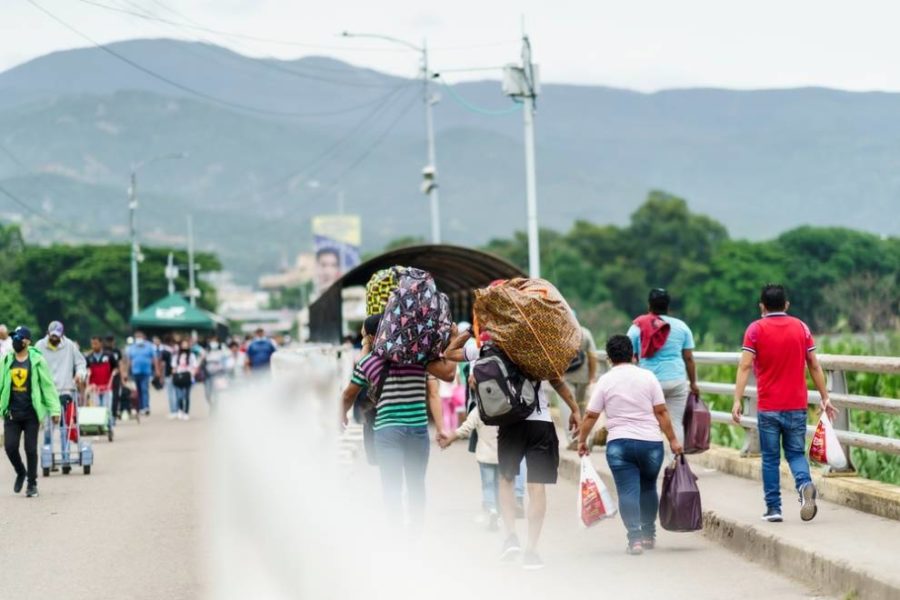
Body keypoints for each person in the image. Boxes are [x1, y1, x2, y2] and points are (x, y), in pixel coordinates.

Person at [444, 328, 582, 570]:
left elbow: (449, 353)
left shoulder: (487, 347)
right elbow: (558, 381)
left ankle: (510, 538)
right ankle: (532, 550)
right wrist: (575, 409)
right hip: (539, 422)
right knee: (536, 487)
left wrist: (470, 331)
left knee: (506, 480)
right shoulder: (536, 347)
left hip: (509, 423)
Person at [339, 314, 459, 533]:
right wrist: (454, 338)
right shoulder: (419, 355)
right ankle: (415, 531)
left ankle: (396, 533)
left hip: (387, 431)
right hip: (417, 429)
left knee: (391, 486)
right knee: (416, 484)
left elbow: (348, 395)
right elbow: (449, 374)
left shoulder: (369, 362)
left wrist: (342, 415)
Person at [732, 284, 835, 523]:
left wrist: (737, 400)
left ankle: (774, 508)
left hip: (768, 406)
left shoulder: (755, 329)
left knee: (770, 458)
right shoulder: (801, 327)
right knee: (796, 454)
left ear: (762, 306)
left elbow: (745, 365)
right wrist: (825, 397)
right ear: (786, 304)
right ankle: (804, 485)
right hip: (796, 405)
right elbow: (814, 364)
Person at [577, 334, 683, 555]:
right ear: (633, 354)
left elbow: (590, 415)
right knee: (648, 487)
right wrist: (673, 440)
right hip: (651, 444)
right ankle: (648, 534)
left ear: (609, 358)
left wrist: (582, 441)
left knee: (627, 491)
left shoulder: (606, 380)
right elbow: (662, 412)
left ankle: (634, 539)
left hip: (619, 445)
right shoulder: (648, 377)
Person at [627, 288, 699, 445]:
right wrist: (693, 383)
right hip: (677, 381)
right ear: (668, 306)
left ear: (649, 305)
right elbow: (689, 358)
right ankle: (675, 464)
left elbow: (626, 356)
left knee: (648, 425)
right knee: (675, 424)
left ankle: (652, 463)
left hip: (649, 382)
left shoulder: (637, 327)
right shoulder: (682, 327)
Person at [1, 326, 61, 497]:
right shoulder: (6, 360)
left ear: (27, 341)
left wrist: (55, 410)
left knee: (30, 449)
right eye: (13, 338)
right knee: (10, 448)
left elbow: (47, 386)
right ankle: (21, 472)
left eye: (18, 339)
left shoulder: (37, 360)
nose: (15, 342)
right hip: (11, 413)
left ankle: (32, 484)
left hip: (31, 414)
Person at [35, 321, 87, 465]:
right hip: (46, 392)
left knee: (65, 426)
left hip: (66, 390)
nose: (54, 339)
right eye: (52, 336)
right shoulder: (39, 346)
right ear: (47, 333)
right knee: (47, 427)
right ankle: (48, 455)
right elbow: (33, 365)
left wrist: (80, 375)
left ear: (62, 335)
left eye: (57, 336)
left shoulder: (70, 345)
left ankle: (65, 457)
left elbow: (81, 363)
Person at [562, 325, 599, 448]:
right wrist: (592, 376)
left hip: (565, 376)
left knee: (568, 405)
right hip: (583, 376)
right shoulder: (585, 332)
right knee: (582, 406)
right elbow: (592, 356)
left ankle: (571, 438)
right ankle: (582, 437)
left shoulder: (560, 331)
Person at [85, 335, 118, 433]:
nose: (94, 346)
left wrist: (114, 373)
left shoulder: (109, 356)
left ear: (101, 344)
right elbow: (85, 370)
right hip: (94, 388)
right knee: (97, 407)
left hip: (106, 386)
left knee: (107, 407)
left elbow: (115, 367)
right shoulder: (89, 358)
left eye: (96, 343)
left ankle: (109, 427)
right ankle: (98, 428)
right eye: (92, 344)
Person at [124, 331, 157, 416]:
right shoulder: (131, 347)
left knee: (144, 389)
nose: (139, 338)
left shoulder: (149, 346)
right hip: (135, 371)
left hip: (146, 371)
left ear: (143, 337)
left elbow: (154, 358)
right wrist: (126, 372)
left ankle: (146, 407)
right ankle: (140, 406)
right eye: (137, 337)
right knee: (138, 390)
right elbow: (129, 360)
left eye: (140, 336)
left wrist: (157, 370)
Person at [171, 339, 199, 420]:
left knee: (186, 396)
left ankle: (186, 412)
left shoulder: (191, 356)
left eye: (186, 345)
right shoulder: (176, 356)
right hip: (179, 377)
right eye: (183, 344)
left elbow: (195, 366)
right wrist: (174, 375)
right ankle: (180, 410)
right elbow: (173, 367)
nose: (184, 346)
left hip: (188, 377)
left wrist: (192, 375)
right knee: (179, 396)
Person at [202, 336, 229, 406]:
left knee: (217, 393)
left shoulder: (222, 348)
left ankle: (215, 407)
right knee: (207, 393)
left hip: (219, 374)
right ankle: (212, 405)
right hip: (208, 375)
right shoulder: (207, 348)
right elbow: (202, 358)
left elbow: (226, 358)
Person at [104, 335, 125, 420]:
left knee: (116, 395)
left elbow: (120, 363)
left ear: (113, 341)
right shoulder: (104, 351)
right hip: (106, 376)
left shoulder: (117, 351)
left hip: (115, 375)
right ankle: (107, 414)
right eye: (108, 341)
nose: (109, 343)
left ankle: (114, 413)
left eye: (111, 341)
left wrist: (123, 376)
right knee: (107, 395)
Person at [157, 335, 177, 419]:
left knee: (170, 393)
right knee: (176, 393)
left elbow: (162, 364)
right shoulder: (176, 350)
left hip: (168, 374)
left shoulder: (164, 352)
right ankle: (177, 410)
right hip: (178, 374)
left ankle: (173, 411)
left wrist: (161, 376)